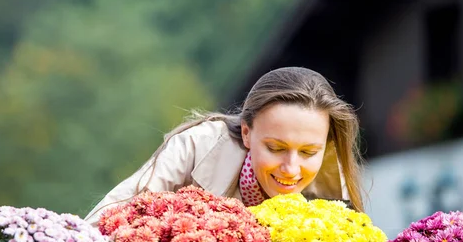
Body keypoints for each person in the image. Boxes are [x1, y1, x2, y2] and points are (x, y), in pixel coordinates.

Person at [84, 66, 365, 224]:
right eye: (276, 148)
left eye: (308, 152)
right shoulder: (198, 146)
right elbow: (104, 220)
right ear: (246, 132)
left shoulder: (333, 186)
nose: (291, 168)